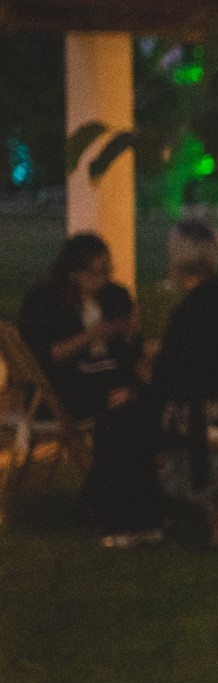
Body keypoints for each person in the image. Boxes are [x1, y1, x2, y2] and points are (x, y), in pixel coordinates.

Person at [16, 232, 162, 543]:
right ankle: (112, 502)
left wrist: (127, 336)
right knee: (124, 405)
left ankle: (114, 500)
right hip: (61, 390)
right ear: (74, 272)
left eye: (108, 270)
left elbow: (130, 355)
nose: (104, 279)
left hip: (108, 379)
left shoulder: (114, 297)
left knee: (140, 403)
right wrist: (94, 335)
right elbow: (49, 356)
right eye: (96, 272)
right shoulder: (47, 301)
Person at [149, 219, 218, 495]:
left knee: (126, 416)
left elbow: (172, 372)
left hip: (214, 405)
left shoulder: (194, 307)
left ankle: (135, 501)